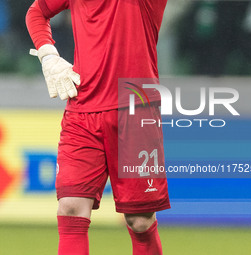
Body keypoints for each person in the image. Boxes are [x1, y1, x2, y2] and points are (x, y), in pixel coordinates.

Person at [26, 1, 170, 254]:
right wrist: (48, 54)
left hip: (135, 110)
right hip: (82, 110)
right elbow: (37, 12)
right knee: (70, 207)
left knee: (140, 220)